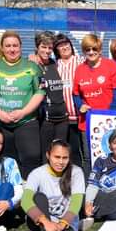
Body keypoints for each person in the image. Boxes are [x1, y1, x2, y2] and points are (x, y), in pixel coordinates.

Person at [8, 139, 86, 231]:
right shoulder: (37, 173)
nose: (61, 162)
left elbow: (76, 203)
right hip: (40, 221)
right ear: (48, 155)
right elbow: (26, 201)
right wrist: (46, 222)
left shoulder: (76, 172)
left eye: (65, 158)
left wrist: (61, 225)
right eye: (57, 157)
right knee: (39, 197)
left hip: (64, 222)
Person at [0, 31, 45, 179]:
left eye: (15, 45)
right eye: (8, 46)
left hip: (26, 121)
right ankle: (11, 194)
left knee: (31, 156)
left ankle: (29, 194)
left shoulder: (32, 67)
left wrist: (23, 112)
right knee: (7, 160)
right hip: (2, 121)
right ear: (2, 48)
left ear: (21, 47)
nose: (12, 49)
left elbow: (40, 92)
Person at [72, 34, 116, 177]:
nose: (91, 52)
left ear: (100, 50)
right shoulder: (79, 69)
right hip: (87, 122)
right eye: (87, 49)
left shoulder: (111, 66)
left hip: (110, 120)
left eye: (94, 49)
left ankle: (114, 188)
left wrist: (108, 115)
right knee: (89, 158)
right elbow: (75, 94)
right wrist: (80, 105)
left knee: (113, 155)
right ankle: (89, 190)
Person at [34, 31, 70, 159]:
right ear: (37, 47)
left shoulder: (55, 64)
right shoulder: (32, 65)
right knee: (46, 156)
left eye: (50, 47)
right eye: (44, 47)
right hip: (45, 120)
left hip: (62, 119)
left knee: (60, 155)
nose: (47, 51)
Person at [53, 33, 84, 170]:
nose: (64, 47)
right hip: (61, 117)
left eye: (66, 44)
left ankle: (79, 179)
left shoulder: (81, 61)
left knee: (77, 151)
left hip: (79, 115)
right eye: (60, 45)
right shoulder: (54, 65)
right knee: (62, 151)